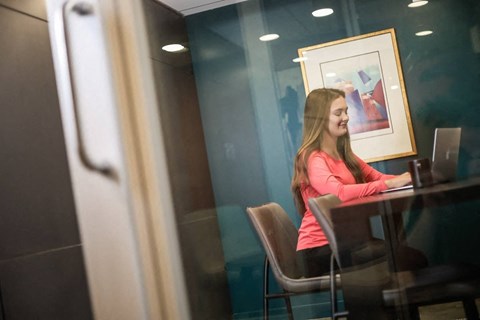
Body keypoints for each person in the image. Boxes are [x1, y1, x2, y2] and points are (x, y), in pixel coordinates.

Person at [291, 88, 422, 277]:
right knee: (409, 259)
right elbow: (338, 194)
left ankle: (388, 304)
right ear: (319, 119)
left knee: (408, 258)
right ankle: (386, 304)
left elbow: (377, 178)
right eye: (338, 113)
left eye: (346, 111)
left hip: (347, 242)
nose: (346, 117)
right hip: (320, 250)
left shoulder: (343, 154)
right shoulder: (311, 158)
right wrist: (391, 184)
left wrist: (408, 178)